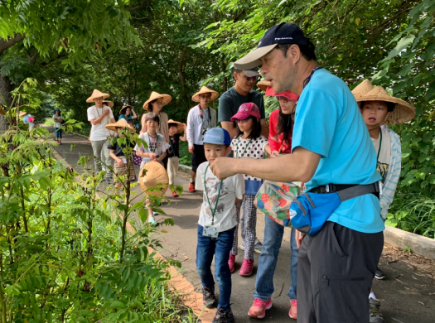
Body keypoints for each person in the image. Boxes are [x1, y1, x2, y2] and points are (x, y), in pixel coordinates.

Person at [210, 22, 384, 323]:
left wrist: (234, 163)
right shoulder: (315, 90)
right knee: (311, 311)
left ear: (293, 53)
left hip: (344, 226)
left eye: (266, 61)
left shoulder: (319, 90)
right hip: (330, 220)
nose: (262, 71)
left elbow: (301, 166)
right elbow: (322, 171)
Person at [353, 79, 415, 323]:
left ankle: (369, 300)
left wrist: (381, 209)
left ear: (387, 113)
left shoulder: (393, 141)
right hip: (347, 208)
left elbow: (393, 178)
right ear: (360, 109)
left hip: (374, 212)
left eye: (380, 108)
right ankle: (350, 299)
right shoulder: (351, 137)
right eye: (368, 107)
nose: (373, 113)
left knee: (368, 259)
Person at [248, 81, 301, 319]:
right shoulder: (274, 118)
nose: (283, 102)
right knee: (269, 246)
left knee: (299, 249)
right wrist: (275, 153)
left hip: (301, 191)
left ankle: (297, 297)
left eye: (287, 98)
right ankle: (262, 296)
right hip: (277, 190)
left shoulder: (308, 119)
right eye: (280, 98)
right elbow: (271, 146)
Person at [195, 127, 245, 323]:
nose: (212, 154)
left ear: (227, 149)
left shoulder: (234, 172)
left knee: (221, 270)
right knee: (201, 265)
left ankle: (225, 310)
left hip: (225, 229)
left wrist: (224, 213)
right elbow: (205, 196)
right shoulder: (202, 169)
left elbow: (239, 198)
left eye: (217, 149)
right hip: (204, 227)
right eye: (208, 150)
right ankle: (207, 288)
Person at [228, 102, 268, 277]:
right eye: (239, 120)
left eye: (245, 119)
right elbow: (226, 156)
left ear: (255, 120)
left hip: (252, 188)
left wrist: (276, 152)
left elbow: (270, 150)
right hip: (236, 187)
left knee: (248, 223)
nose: (241, 123)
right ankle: (231, 254)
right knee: (233, 221)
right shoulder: (235, 141)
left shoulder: (261, 141)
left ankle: (248, 258)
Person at [135, 113, 169, 225]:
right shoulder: (142, 137)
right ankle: (150, 215)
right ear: (146, 123)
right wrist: (148, 155)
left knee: (156, 191)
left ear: (158, 124)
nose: (152, 123)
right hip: (146, 166)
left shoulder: (161, 137)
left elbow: (164, 152)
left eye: (154, 121)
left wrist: (158, 160)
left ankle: (151, 208)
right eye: (149, 121)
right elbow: (138, 152)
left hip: (157, 167)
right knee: (148, 190)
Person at [218, 68, 267, 139]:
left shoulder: (258, 96)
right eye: (248, 77)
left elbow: (264, 128)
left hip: (258, 146)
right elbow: (228, 133)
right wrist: (258, 131)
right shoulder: (226, 99)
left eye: (254, 77)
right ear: (236, 76)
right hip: (237, 148)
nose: (252, 81)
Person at [186, 86, 218, 193]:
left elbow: (213, 127)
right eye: (203, 97)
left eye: (207, 97)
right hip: (197, 142)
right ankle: (192, 181)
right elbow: (189, 128)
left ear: (210, 98)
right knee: (195, 164)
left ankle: (208, 182)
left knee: (209, 163)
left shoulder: (212, 112)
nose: (205, 99)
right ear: (199, 98)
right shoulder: (193, 111)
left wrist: (215, 142)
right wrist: (190, 143)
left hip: (208, 142)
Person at [86, 89, 116, 182]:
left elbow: (113, 121)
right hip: (95, 137)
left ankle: (109, 176)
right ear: (94, 100)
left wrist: (116, 131)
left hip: (107, 136)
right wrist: (103, 114)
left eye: (100, 98)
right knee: (97, 157)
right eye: (97, 99)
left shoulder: (108, 108)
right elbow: (94, 122)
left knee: (108, 156)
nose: (99, 100)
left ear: (102, 98)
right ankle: (99, 176)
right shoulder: (90, 109)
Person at [106, 119, 137, 193]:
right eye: (120, 128)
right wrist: (117, 159)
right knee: (118, 182)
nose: (122, 130)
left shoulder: (130, 140)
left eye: (124, 129)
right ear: (116, 130)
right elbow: (111, 153)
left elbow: (133, 149)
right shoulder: (115, 140)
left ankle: (126, 200)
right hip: (118, 161)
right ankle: (116, 199)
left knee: (128, 182)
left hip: (128, 160)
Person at [166, 119, 187, 197]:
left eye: (175, 128)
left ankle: (169, 183)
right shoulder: (165, 136)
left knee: (175, 172)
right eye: (172, 128)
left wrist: (185, 130)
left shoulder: (177, 136)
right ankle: (172, 189)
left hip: (176, 156)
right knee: (171, 174)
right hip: (169, 157)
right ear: (168, 128)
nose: (174, 129)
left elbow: (184, 139)